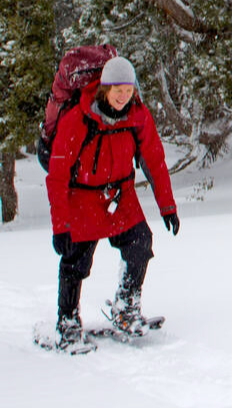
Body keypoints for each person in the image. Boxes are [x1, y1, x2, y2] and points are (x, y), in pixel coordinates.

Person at [46, 55, 179, 349]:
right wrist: (61, 227)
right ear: (104, 88)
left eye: (128, 89)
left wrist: (167, 206)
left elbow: (154, 160)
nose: (123, 95)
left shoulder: (138, 115)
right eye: (117, 89)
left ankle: (126, 307)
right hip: (81, 197)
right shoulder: (78, 119)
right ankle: (66, 322)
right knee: (75, 260)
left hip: (120, 197)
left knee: (140, 243)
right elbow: (56, 176)